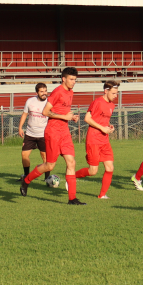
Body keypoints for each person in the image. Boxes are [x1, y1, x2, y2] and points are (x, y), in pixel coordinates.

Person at [20, 67, 85, 204]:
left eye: (75, 79)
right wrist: (64, 116)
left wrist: (71, 117)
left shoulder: (70, 92)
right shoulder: (57, 92)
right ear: (64, 79)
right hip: (53, 132)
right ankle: (26, 181)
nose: (74, 82)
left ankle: (72, 198)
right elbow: (45, 112)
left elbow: (63, 111)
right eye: (71, 79)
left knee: (71, 162)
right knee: (49, 166)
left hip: (65, 132)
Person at [76, 80, 118, 199]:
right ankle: (72, 177)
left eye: (117, 93)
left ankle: (102, 195)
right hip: (93, 139)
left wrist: (109, 126)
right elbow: (87, 118)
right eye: (114, 93)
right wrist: (102, 129)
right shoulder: (97, 102)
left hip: (105, 140)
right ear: (106, 91)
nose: (116, 96)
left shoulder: (111, 105)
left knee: (110, 167)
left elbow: (102, 120)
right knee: (93, 171)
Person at [18, 83, 50, 181]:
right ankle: (26, 175)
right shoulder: (30, 101)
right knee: (24, 155)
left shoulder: (49, 103)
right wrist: (20, 128)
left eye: (45, 91)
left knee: (44, 156)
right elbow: (24, 114)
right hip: (30, 133)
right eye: (41, 91)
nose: (44, 93)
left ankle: (47, 178)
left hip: (43, 134)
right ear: (37, 92)